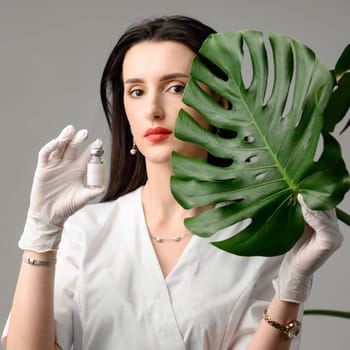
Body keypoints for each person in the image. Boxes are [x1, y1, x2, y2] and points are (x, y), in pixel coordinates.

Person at [1, 15, 343, 350]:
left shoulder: (257, 238)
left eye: (176, 87)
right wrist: (40, 236)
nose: (152, 109)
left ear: (221, 103)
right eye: (136, 91)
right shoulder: (85, 231)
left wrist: (291, 286)